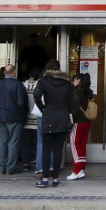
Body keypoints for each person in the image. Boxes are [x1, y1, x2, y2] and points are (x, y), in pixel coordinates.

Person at [33, 59, 74, 187]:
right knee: (58, 150)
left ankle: (45, 178)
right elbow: (72, 103)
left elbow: (36, 94)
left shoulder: (43, 81)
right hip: (63, 117)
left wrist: (42, 108)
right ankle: (55, 178)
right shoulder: (67, 83)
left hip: (49, 116)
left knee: (46, 150)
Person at [0, 64, 28, 175]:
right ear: (14, 72)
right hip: (15, 117)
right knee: (13, 143)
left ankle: (2, 167)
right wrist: (23, 115)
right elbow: (22, 103)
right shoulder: (18, 85)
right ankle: (10, 168)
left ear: (4, 73)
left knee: (3, 142)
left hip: (1, 116)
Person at [67, 73, 94, 181]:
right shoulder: (88, 92)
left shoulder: (77, 92)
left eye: (74, 79)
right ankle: (81, 168)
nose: (73, 81)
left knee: (74, 145)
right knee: (81, 145)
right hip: (86, 122)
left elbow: (74, 109)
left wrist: (70, 122)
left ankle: (76, 170)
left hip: (77, 122)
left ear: (78, 80)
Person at [20, 66, 40, 171]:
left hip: (26, 118)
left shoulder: (23, 85)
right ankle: (37, 160)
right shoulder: (40, 85)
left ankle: (25, 162)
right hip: (37, 118)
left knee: (25, 143)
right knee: (37, 142)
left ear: (29, 75)